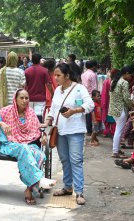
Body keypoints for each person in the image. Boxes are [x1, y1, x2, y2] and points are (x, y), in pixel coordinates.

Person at [0, 89, 57, 205]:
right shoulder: (6, 111)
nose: (24, 101)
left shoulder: (31, 113)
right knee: (24, 149)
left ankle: (29, 189)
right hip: (10, 144)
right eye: (21, 98)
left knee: (38, 154)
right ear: (15, 99)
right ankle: (39, 180)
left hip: (29, 143)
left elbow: (37, 131)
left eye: (26, 98)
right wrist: (1, 123)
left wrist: (43, 138)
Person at [44, 63, 94, 205]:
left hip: (75, 131)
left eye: (58, 75)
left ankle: (79, 192)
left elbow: (90, 105)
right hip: (60, 130)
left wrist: (74, 111)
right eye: (55, 75)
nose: (56, 78)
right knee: (65, 160)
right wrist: (47, 121)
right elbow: (53, 110)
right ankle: (67, 187)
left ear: (67, 75)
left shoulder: (79, 89)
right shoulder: (58, 90)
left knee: (76, 161)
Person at [109, 66, 134, 158]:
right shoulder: (124, 82)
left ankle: (117, 150)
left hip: (114, 109)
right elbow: (127, 99)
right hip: (121, 110)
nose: (131, 77)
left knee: (118, 130)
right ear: (126, 73)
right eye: (131, 74)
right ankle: (115, 151)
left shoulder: (114, 81)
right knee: (119, 130)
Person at [24, 53, 54, 122]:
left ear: (31, 60)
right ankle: (38, 131)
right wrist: (52, 94)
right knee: (38, 116)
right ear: (39, 60)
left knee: (29, 115)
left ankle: (29, 130)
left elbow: (25, 85)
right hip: (40, 98)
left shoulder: (27, 71)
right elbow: (48, 84)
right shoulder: (44, 71)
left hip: (29, 97)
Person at [81, 60, 98, 135]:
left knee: (85, 112)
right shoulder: (93, 74)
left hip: (83, 94)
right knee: (91, 113)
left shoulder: (83, 74)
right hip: (91, 95)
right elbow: (94, 86)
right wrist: (96, 96)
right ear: (93, 66)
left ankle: (87, 128)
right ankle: (90, 130)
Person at [100, 69, 117, 137]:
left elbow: (104, 93)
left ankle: (107, 131)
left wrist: (103, 103)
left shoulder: (107, 82)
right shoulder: (118, 82)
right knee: (113, 119)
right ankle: (112, 131)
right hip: (113, 103)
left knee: (107, 117)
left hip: (107, 102)